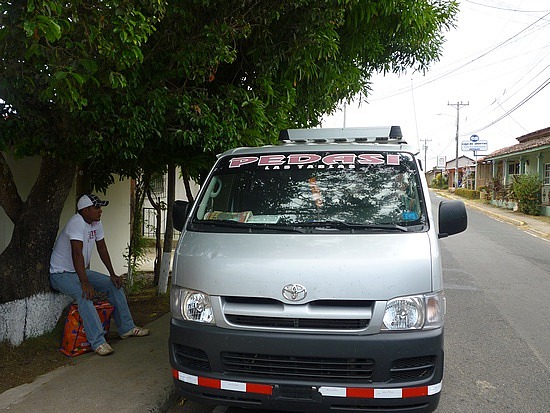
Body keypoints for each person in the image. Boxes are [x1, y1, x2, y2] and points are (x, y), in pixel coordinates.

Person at [50, 194, 149, 356]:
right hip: (61, 274)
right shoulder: (76, 222)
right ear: (85, 210)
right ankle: (98, 342)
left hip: (79, 270)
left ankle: (127, 327)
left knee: (113, 285)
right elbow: (77, 254)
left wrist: (112, 274)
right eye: (96, 207)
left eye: (100, 207)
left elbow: (102, 248)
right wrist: (85, 283)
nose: (100, 210)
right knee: (84, 294)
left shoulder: (96, 223)